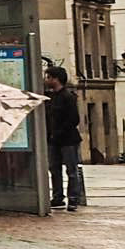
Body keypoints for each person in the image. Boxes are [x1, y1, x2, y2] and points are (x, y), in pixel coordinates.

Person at [43, 64, 85, 210]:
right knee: (54, 169)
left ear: (56, 79)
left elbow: (74, 119)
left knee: (71, 170)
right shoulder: (50, 97)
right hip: (53, 140)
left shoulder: (68, 97)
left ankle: (73, 199)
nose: (46, 80)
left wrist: (59, 132)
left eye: (48, 77)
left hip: (68, 140)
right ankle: (57, 197)